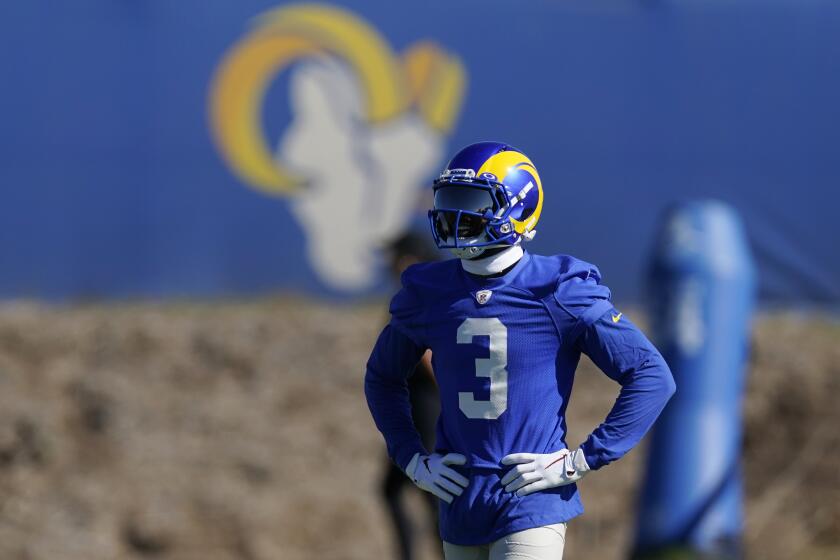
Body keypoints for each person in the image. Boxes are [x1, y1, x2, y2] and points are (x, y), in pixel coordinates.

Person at [365, 141, 676, 560]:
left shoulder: (559, 288)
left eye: (472, 201)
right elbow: (383, 377)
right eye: (449, 199)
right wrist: (411, 459)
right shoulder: (429, 291)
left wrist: (580, 460)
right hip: (460, 499)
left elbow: (651, 375)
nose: (455, 214)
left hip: (530, 499)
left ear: (517, 208)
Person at [380, 232, 442, 560]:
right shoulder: (430, 291)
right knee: (400, 489)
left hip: (427, 411)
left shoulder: (419, 296)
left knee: (432, 492)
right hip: (418, 411)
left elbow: (431, 357)